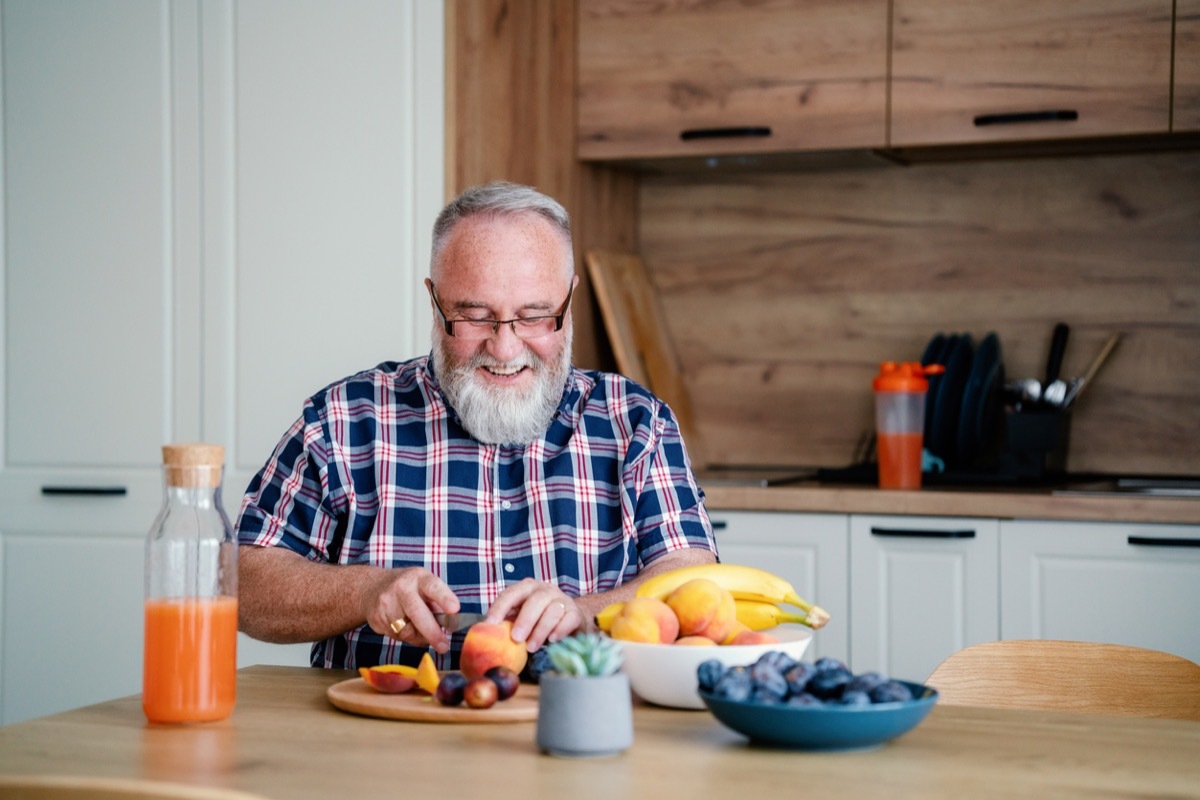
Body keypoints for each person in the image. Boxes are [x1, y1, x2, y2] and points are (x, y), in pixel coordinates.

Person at [235, 181, 716, 671]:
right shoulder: (344, 421)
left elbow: (693, 577)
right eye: (474, 316)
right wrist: (364, 591)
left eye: (534, 316)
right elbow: (241, 584)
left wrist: (585, 614)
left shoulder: (635, 422)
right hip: (377, 735)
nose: (505, 349)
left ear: (569, 301)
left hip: (579, 726)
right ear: (435, 301)